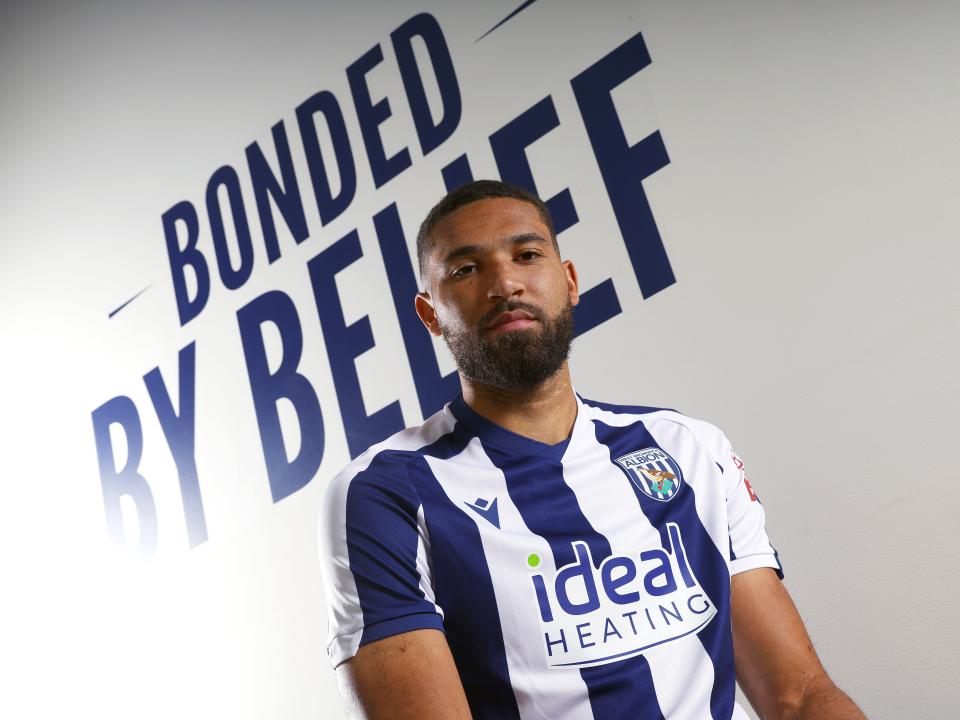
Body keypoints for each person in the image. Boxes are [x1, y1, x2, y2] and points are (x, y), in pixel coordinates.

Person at [318, 180, 865, 719]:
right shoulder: (384, 492)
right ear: (431, 314)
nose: (505, 282)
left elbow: (798, 695)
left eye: (527, 254)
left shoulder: (686, 446)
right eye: (466, 269)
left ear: (570, 281)